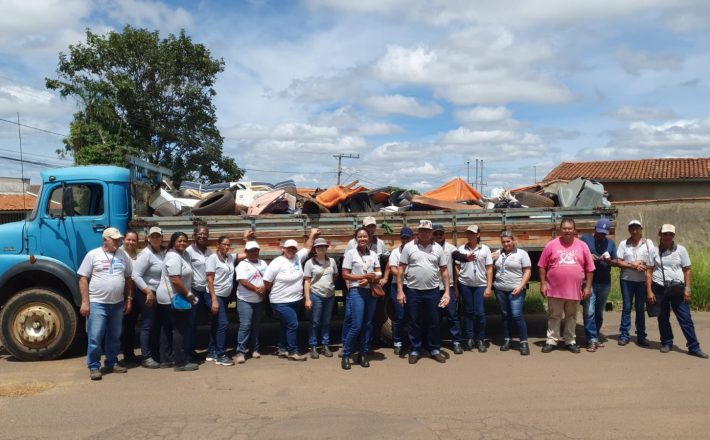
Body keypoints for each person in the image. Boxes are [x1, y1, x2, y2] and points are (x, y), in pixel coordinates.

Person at [78, 227, 134, 380]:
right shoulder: (93, 255)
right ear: (105, 240)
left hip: (117, 303)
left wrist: (129, 299)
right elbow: (83, 278)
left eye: (118, 239)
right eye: (114, 239)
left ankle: (112, 361)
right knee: (95, 336)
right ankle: (94, 366)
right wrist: (85, 302)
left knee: (115, 336)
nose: (118, 242)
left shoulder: (123, 255)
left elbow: (129, 278)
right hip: (98, 303)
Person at [646, 224, 707, 358]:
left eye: (670, 234)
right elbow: (649, 271)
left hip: (677, 289)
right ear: (660, 235)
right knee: (663, 317)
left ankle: (694, 346)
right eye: (665, 234)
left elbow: (687, 270)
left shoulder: (681, 250)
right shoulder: (654, 251)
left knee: (685, 318)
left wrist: (687, 289)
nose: (667, 236)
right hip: (660, 287)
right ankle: (666, 342)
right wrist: (649, 291)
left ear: (673, 236)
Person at [397, 220, 450, 365]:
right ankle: (415, 349)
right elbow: (401, 270)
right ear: (418, 231)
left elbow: (444, 271)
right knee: (415, 322)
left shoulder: (438, 248)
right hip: (413, 292)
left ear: (432, 232)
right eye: (422, 230)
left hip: (433, 292)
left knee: (434, 322)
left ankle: (434, 349)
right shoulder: (409, 247)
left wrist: (447, 292)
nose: (425, 233)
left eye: (427, 230)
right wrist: (400, 291)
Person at [539, 219, 595, 354]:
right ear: (560, 229)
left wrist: (587, 287)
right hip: (555, 289)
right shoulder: (551, 245)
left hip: (574, 290)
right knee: (554, 316)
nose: (567, 231)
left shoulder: (582, 246)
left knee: (571, 316)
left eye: (570, 228)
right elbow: (542, 265)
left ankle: (570, 341)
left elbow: (590, 269)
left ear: (574, 230)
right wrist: (543, 283)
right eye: (564, 228)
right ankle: (552, 340)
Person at [263, 229, 319, 361]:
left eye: (294, 248)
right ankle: (293, 351)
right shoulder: (277, 262)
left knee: (285, 325)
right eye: (289, 248)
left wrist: (311, 235)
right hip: (280, 302)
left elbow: (308, 247)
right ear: (283, 249)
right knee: (293, 324)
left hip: (295, 301)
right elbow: (266, 281)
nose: (291, 250)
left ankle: (282, 349)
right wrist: (276, 292)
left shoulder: (297, 258)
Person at [156, 231, 200, 372]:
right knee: (180, 329)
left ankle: (166, 359)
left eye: (184, 241)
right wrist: (188, 294)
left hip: (167, 297)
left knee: (167, 328)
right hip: (174, 297)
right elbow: (175, 279)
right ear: (173, 242)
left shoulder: (178, 255)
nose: (182, 243)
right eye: (179, 241)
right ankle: (180, 362)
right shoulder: (174, 257)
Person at [341, 228, 382, 369]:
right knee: (356, 325)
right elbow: (345, 275)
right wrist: (363, 277)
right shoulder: (351, 254)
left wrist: (371, 279)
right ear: (356, 239)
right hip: (356, 291)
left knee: (368, 324)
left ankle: (363, 354)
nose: (363, 238)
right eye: (360, 236)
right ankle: (346, 354)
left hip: (370, 292)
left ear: (368, 238)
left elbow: (379, 272)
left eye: (365, 236)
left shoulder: (374, 254)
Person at [580, 219, 618, 352]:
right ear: (595, 229)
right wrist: (588, 255)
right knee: (589, 311)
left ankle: (594, 336)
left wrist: (610, 260)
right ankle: (592, 340)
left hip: (604, 282)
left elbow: (616, 260)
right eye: (599, 232)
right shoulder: (585, 239)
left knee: (599, 313)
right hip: (588, 281)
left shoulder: (611, 243)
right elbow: (577, 253)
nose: (601, 235)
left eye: (604, 233)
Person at [130, 226, 165, 368]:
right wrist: (148, 292)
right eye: (153, 236)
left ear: (162, 238)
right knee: (147, 325)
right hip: (147, 293)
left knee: (156, 324)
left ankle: (155, 354)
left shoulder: (162, 252)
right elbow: (135, 275)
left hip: (158, 293)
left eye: (158, 236)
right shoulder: (146, 254)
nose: (156, 238)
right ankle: (146, 357)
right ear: (148, 238)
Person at [493, 231, 532, 355]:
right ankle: (507, 339)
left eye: (508, 241)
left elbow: (527, 271)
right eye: (503, 242)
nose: (506, 244)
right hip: (500, 289)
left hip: (516, 289)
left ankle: (524, 342)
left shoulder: (522, 254)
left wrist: (521, 287)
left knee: (516, 315)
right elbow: (488, 268)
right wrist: (489, 258)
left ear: (513, 240)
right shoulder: (497, 253)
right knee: (505, 315)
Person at [616, 220, 654, 347]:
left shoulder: (648, 243)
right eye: (632, 228)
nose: (634, 231)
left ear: (641, 229)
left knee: (640, 308)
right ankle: (624, 335)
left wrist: (641, 264)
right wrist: (633, 265)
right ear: (629, 230)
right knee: (627, 307)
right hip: (627, 280)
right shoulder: (623, 244)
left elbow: (653, 260)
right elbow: (618, 262)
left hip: (642, 281)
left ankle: (641, 336)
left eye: (637, 228)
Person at [455, 225, 493, 353]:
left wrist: (489, 286)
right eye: (468, 233)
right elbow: (457, 267)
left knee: (480, 313)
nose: (470, 235)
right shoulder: (461, 249)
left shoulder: (485, 249)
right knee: (468, 312)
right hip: (465, 284)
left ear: (478, 235)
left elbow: (489, 268)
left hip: (480, 285)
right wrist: (457, 281)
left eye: (472, 233)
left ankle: (480, 339)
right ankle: (470, 338)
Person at [304, 237, 339, 359]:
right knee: (315, 322)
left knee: (326, 322)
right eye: (318, 247)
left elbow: (335, 276)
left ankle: (325, 345)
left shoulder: (332, 261)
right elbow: (307, 281)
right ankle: (313, 346)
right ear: (315, 249)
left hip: (329, 295)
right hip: (316, 295)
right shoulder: (309, 263)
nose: (321, 248)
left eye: (323, 246)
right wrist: (308, 298)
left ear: (326, 248)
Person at [381, 226, 413, 356]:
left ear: (412, 238)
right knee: (399, 315)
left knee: (413, 315)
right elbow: (393, 268)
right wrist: (406, 275)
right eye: (403, 237)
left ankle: (413, 343)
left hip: (413, 286)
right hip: (397, 286)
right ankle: (398, 342)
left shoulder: (416, 251)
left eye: (408, 237)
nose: (405, 240)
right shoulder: (395, 252)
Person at [432, 224, 463, 355]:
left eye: (440, 233)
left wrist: (455, 288)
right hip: (433, 288)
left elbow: (458, 259)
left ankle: (456, 342)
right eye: (436, 233)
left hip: (448, 288)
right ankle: (435, 344)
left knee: (452, 316)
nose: (438, 236)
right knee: (435, 318)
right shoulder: (429, 248)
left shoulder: (451, 248)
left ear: (444, 234)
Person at [205, 236, 236, 366]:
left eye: (229, 245)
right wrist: (214, 300)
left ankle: (212, 351)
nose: (227, 247)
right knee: (223, 324)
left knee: (217, 323)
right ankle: (220, 355)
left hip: (225, 296)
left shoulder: (230, 258)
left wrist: (248, 240)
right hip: (214, 295)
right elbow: (209, 280)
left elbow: (247, 254)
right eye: (224, 244)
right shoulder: (212, 259)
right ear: (218, 245)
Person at [235, 241, 268, 364]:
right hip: (245, 300)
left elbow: (268, 277)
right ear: (246, 252)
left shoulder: (263, 263)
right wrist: (257, 289)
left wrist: (264, 287)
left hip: (259, 300)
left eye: (256, 250)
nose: (254, 253)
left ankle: (254, 349)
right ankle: (240, 352)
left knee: (255, 325)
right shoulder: (242, 265)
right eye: (251, 250)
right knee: (245, 325)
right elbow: (243, 281)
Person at [120, 230, 140, 364]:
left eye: (134, 240)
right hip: (121, 295)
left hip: (136, 294)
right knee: (122, 327)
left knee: (131, 325)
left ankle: (130, 354)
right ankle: (122, 355)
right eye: (128, 239)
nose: (131, 242)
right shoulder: (118, 254)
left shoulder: (139, 256)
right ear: (123, 240)